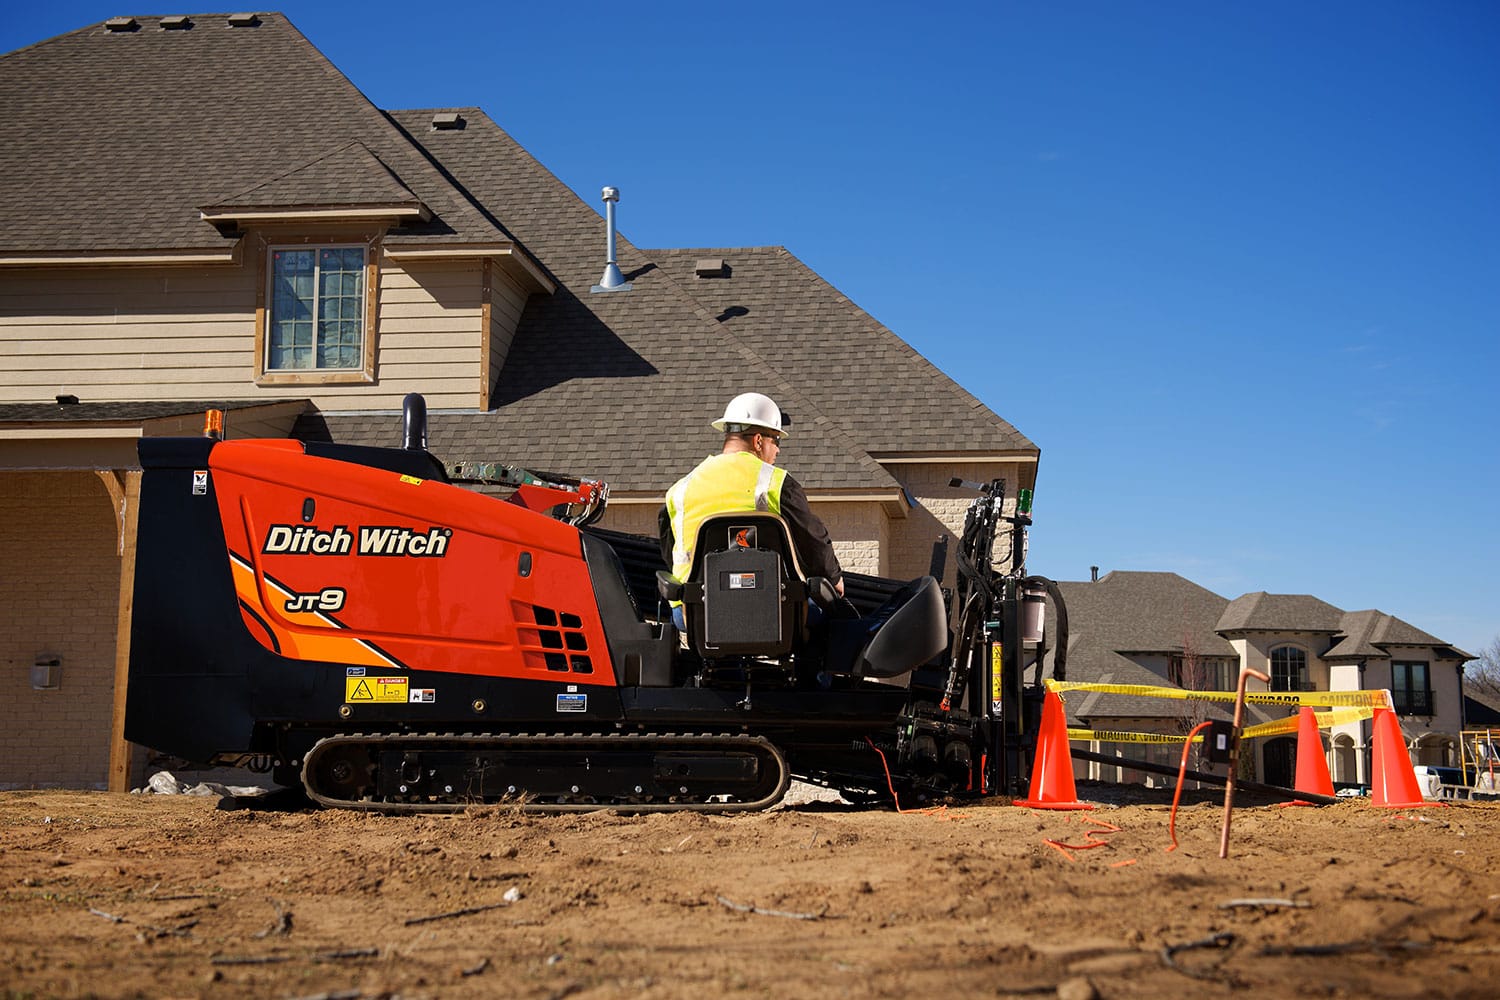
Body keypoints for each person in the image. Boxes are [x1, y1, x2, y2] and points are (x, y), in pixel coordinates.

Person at [659, 392, 844, 629]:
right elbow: (812, 542)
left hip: (695, 612)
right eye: (776, 441)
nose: (777, 451)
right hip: (773, 609)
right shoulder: (776, 483)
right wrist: (834, 579)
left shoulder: (680, 490)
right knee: (827, 615)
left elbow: (669, 555)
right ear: (758, 441)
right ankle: (809, 668)